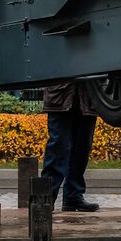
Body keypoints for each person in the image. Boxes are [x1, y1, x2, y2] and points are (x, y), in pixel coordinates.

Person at [40, 82, 99, 212]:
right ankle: (45, 199)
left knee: (82, 149)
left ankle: (73, 196)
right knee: (57, 147)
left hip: (87, 97)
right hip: (61, 95)